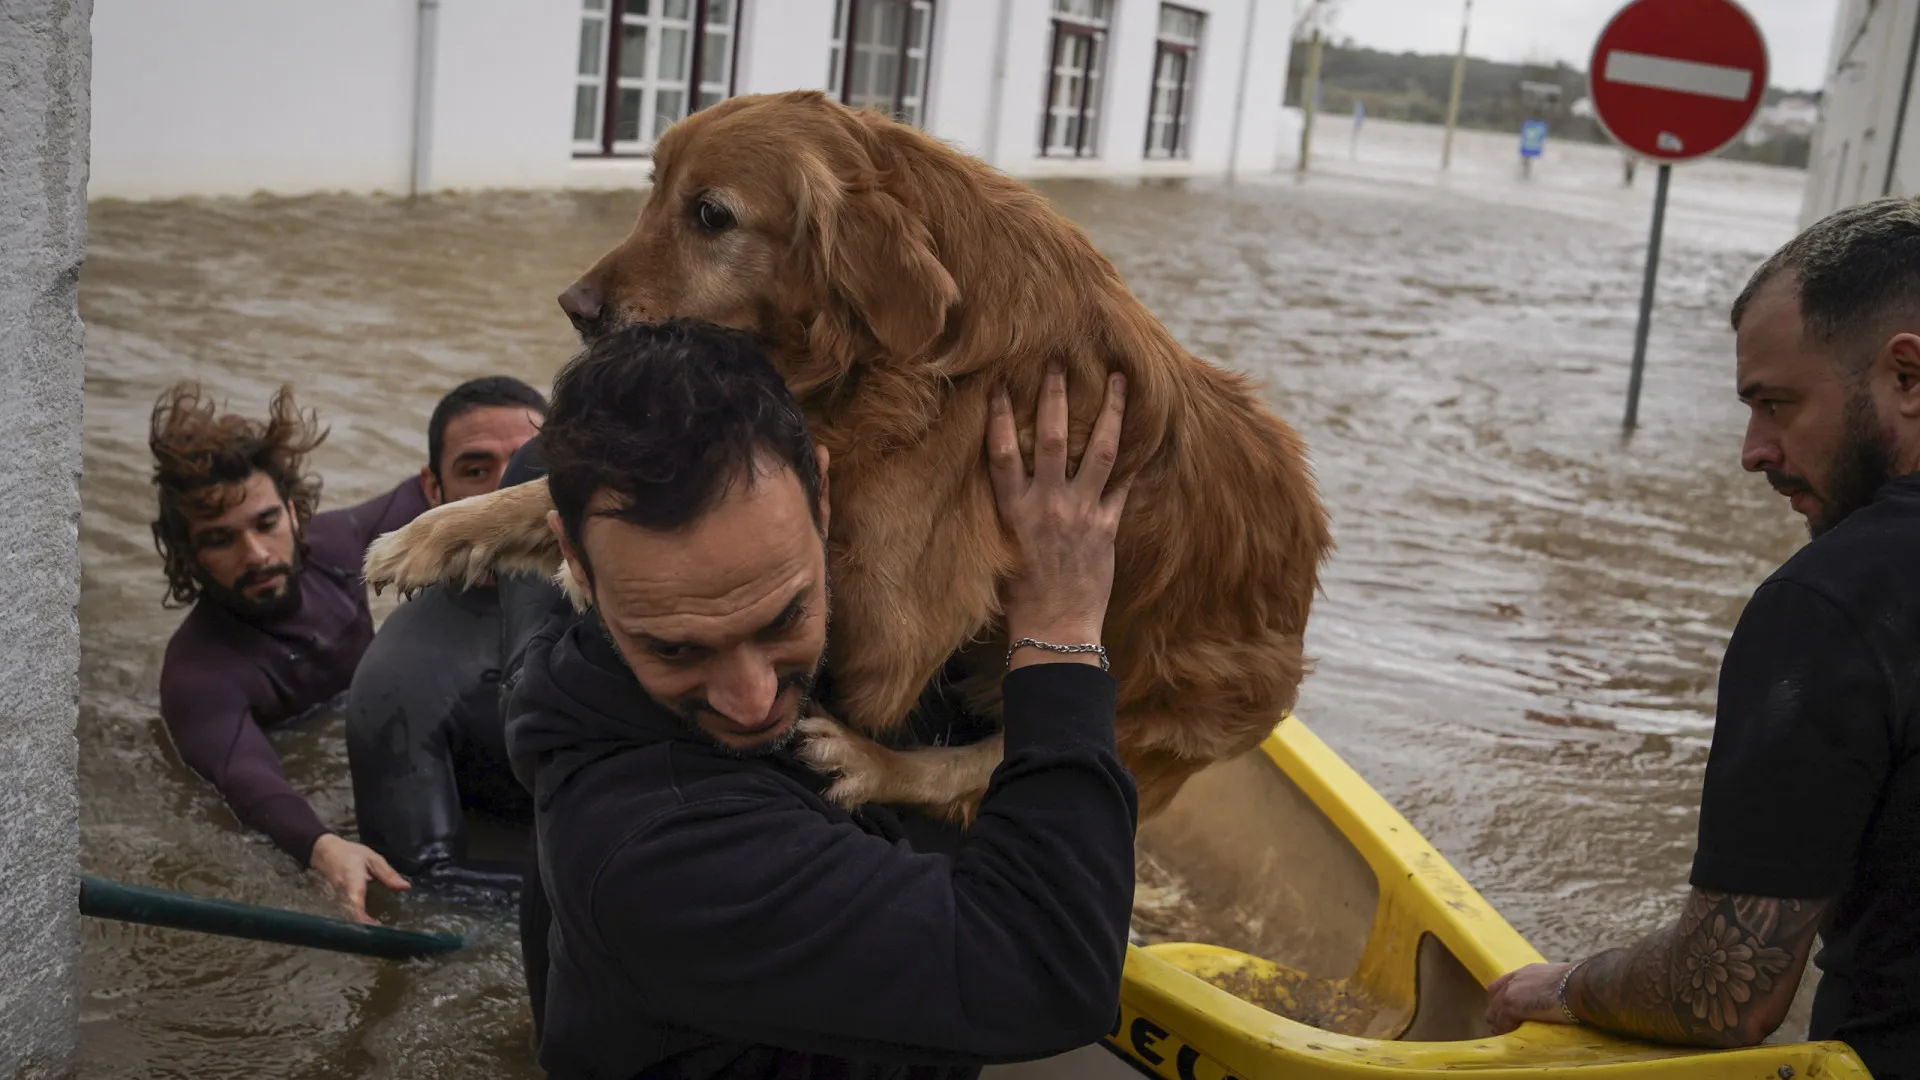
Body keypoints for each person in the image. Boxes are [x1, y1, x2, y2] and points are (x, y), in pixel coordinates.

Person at [504, 321, 1139, 1077]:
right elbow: (1051, 975)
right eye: (674, 648)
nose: (754, 699)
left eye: (784, 618)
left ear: (827, 499)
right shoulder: (659, 853)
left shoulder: (610, 610)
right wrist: (1061, 625)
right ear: (573, 558)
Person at [1484, 196, 1920, 1076]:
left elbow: (1722, 990)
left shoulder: (1831, 602)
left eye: (1777, 403)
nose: (1754, 451)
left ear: (1907, 377)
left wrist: (1564, 987)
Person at [149, 377, 539, 924]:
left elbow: (453, 493)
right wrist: (322, 845)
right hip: (312, 762)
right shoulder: (200, 674)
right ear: (188, 555)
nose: (256, 553)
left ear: (292, 512)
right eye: (220, 538)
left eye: (265, 523)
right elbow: (249, 781)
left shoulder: (338, 547)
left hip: (386, 724)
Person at [344, 377, 548, 897]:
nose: (506, 490)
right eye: (476, 471)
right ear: (435, 492)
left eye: (530, 463)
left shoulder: (642, 592)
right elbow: (422, 883)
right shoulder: (402, 674)